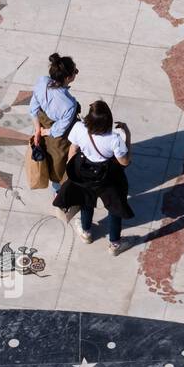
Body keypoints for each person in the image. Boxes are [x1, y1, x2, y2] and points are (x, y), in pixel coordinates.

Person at [52, 100, 134, 255]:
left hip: (84, 172)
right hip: (108, 177)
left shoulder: (78, 128)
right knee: (114, 207)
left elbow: (73, 149)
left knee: (86, 202)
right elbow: (125, 161)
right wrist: (128, 137)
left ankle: (86, 232)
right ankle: (115, 244)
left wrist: (70, 170)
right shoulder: (114, 139)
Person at [28, 54, 80, 192]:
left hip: (42, 124)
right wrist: (47, 132)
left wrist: (38, 130)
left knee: (48, 158)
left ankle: (56, 189)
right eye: (75, 71)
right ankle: (59, 192)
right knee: (59, 163)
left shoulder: (42, 81)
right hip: (57, 138)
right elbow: (60, 130)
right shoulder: (69, 104)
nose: (76, 73)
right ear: (68, 78)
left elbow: (33, 108)